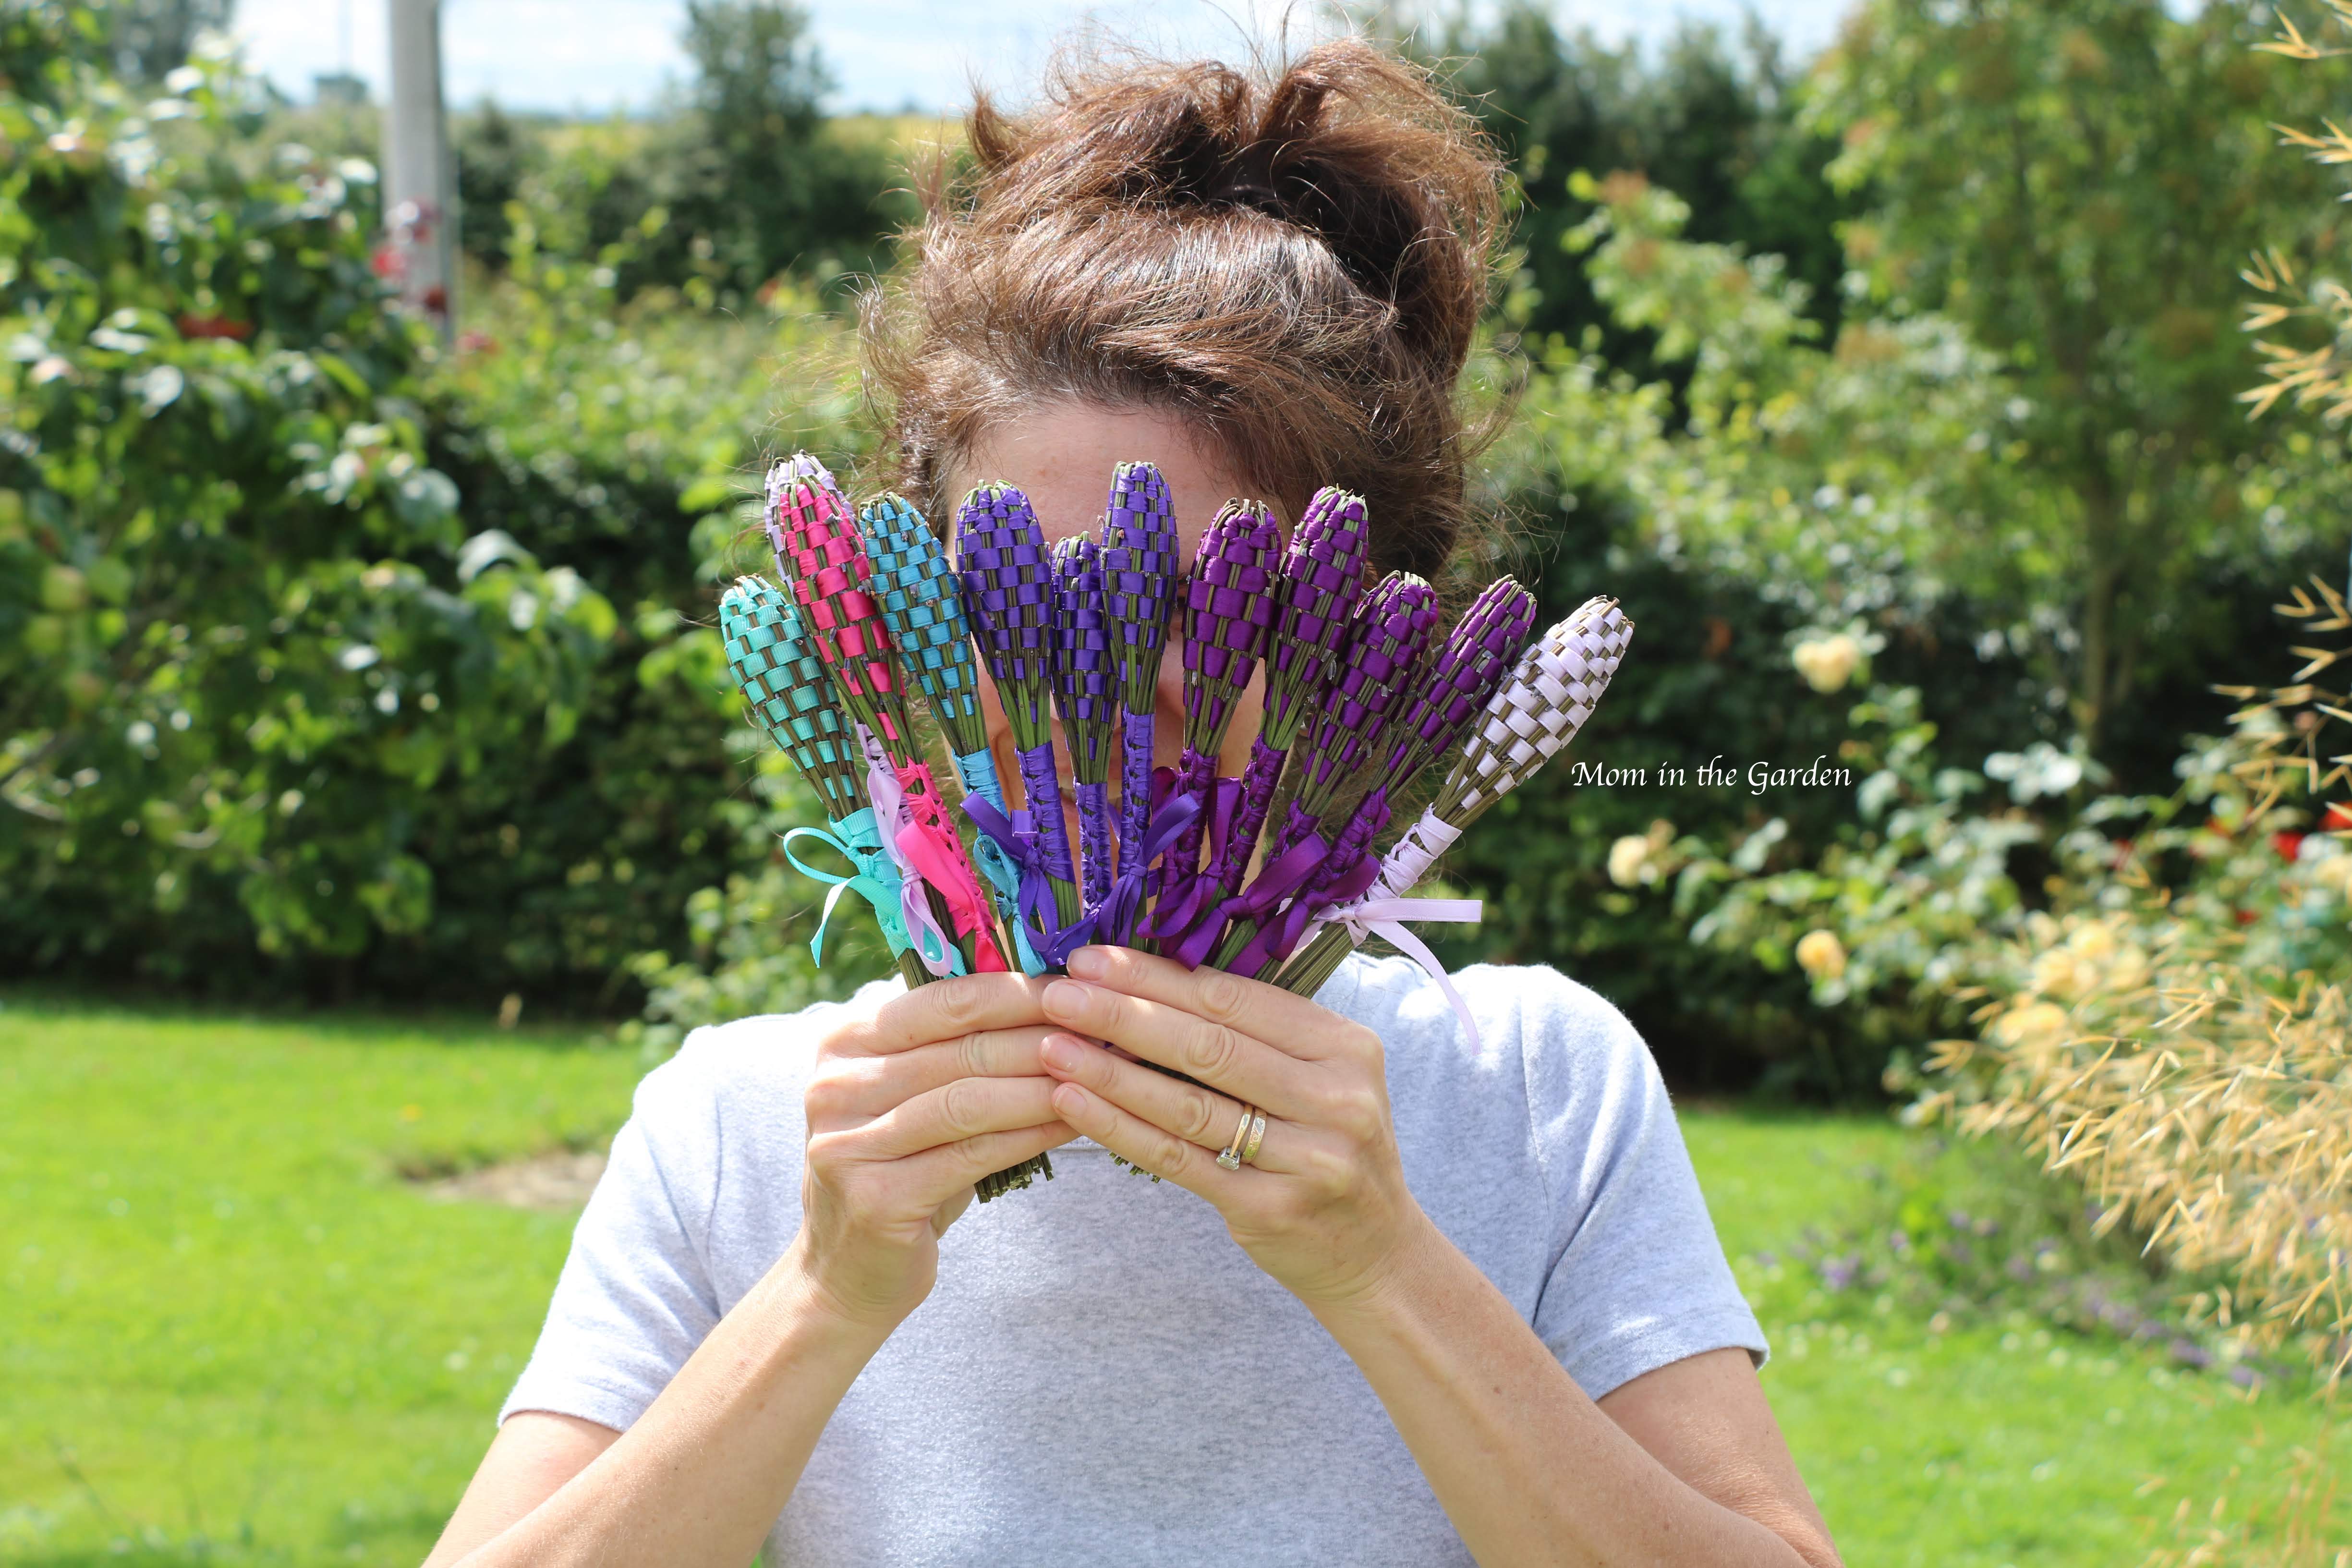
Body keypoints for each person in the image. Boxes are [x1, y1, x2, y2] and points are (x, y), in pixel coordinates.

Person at [423, 39, 1842, 1568]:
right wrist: (822, 1293)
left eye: (1191, 598)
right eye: (1021, 596)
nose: (1109, 689)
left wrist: (1382, 1263)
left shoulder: (1530, 1090)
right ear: (907, 619)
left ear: (1367, 634)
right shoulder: (747, 1124)